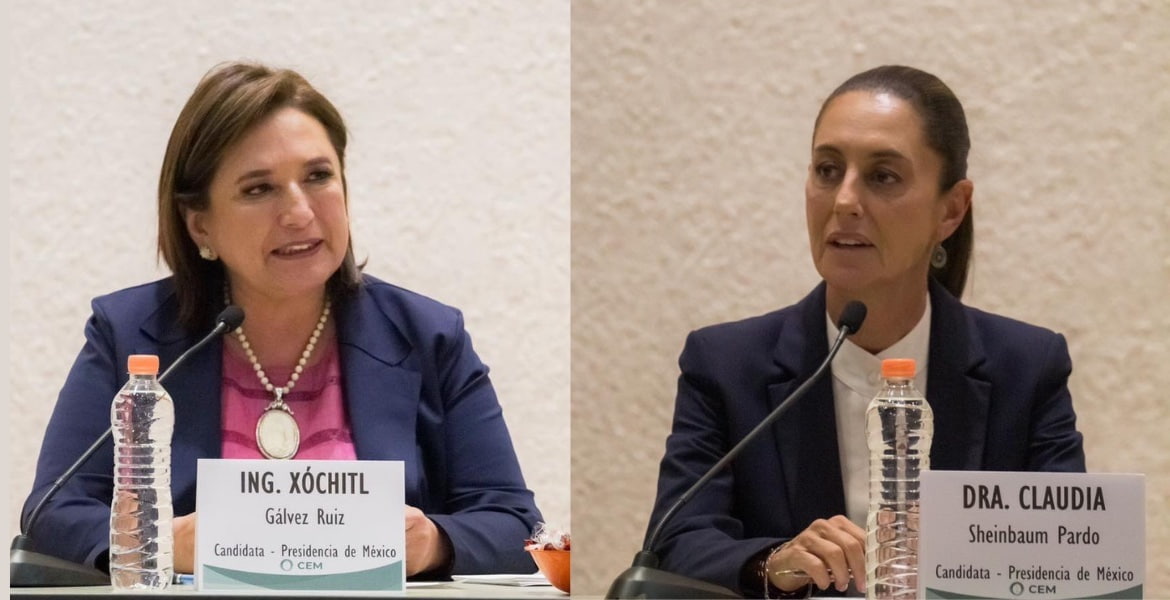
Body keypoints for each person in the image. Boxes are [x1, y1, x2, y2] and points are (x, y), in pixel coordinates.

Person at [23, 61, 541, 578]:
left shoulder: (429, 336)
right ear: (200, 225)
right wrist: (161, 544)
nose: (299, 212)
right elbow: (53, 510)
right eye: (258, 189)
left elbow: (515, 523)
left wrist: (433, 543)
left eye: (318, 177)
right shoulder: (130, 334)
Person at [646, 65, 1085, 598]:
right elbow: (675, 543)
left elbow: (1065, 556)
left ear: (951, 209)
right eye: (828, 170)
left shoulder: (1028, 368)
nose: (844, 201)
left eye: (882, 177)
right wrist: (774, 564)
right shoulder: (725, 365)